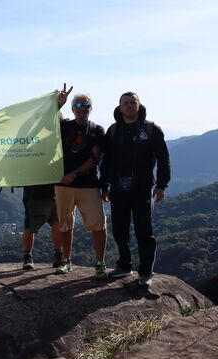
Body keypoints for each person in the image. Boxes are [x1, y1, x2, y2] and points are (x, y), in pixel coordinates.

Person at [100, 92, 170, 290]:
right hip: (118, 189)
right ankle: (124, 265)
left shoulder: (151, 129)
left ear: (139, 105)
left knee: (144, 232)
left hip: (142, 189)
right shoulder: (113, 130)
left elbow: (163, 158)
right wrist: (104, 185)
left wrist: (162, 185)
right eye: (126, 103)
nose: (129, 106)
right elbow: (107, 161)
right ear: (120, 107)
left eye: (133, 102)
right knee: (120, 230)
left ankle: (146, 272)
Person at [55, 85, 108, 278]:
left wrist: (74, 174)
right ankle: (67, 261)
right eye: (77, 105)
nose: (81, 109)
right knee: (64, 223)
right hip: (63, 184)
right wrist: (57, 105)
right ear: (72, 109)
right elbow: (45, 126)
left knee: (98, 224)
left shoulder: (97, 130)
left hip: (87, 184)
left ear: (90, 109)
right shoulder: (64, 126)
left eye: (85, 106)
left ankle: (100, 263)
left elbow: (95, 159)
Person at [21, 185, 63, 270]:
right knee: (30, 227)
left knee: (57, 223)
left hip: (51, 193)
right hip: (36, 195)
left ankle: (58, 255)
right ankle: (27, 257)